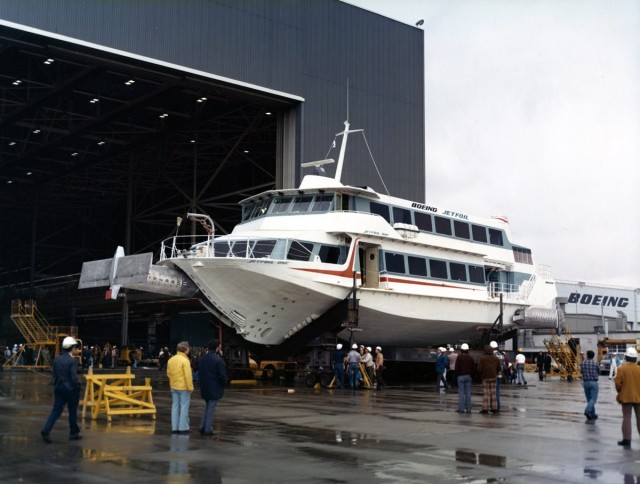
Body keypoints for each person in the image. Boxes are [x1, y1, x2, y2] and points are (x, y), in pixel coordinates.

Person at [41, 336, 82, 443]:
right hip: (70, 389)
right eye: (75, 347)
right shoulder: (72, 361)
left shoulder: (57, 359)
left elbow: (53, 375)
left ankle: (46, 429)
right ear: (72, 348)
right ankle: (74, 433)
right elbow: (73, 378)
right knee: (72, 411)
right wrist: (77, 386)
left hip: (58, 387)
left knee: (56, 411)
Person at [198, 340, 227, 436]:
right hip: (214, 387)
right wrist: (224, 383)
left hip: (204, 387)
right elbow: (222, 376)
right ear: (217, 347)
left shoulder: (202, 359)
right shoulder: (218, 360)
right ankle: (208, 429)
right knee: (211, 408)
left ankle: (202, 426)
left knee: (207, 407)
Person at [614, 347, 640, 447]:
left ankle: (627, 440)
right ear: (635, 358)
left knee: (627, 418)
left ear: (626, 357)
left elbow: (617, 384)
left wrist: (621, 391)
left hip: (626, 397)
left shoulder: (622, 368)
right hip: (639, 397)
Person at [167, 341, 194, 434]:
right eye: (188, 348)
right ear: (185, 350)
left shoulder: (171, 360)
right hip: (183, 387)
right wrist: (190, 387)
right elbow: (188, 375)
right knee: (184, 407)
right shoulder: (185, 360)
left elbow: (168, 373)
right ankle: (183, 428)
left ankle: (174, 428)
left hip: (174, 386)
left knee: (175, 406)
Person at [477, 345, 501, 414]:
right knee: (493, 394)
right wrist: (495, 372)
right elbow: (499, 368)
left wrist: (482, 373)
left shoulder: (482, 358)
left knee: (486, 394)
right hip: (493, 377)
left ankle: (485, 409)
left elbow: (479, 369)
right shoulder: (496, 358)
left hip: (485, 377)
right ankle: (494, 408)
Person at [580, 349, 600, 420]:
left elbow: (581, 371)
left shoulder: (583, 363)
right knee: (593, 399)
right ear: (593, 356)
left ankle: (593, 414)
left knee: (589, 399)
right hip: (594, 382)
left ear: (587, 355)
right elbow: (598, 371)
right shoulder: (595, 363)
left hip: (586, 382)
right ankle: (587, 410)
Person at [455, 343, 474, 413]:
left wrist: (457, 374)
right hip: (468, 376)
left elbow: (456, 368)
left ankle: (461, 409)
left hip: (460, 376)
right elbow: (473, 368)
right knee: (468, 393)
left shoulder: (459, 357)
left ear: (461, 350)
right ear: (467, 350)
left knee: (461, 393)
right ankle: (469, 409)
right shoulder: (470, 357)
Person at [490, 341, 505, 410]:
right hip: (500, 376)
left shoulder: (492, 356)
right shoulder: (501, 355)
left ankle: (495, 406)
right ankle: (498, 405)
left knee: (493, 392)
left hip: (493, 375)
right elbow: (504, 366)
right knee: (497, 391)